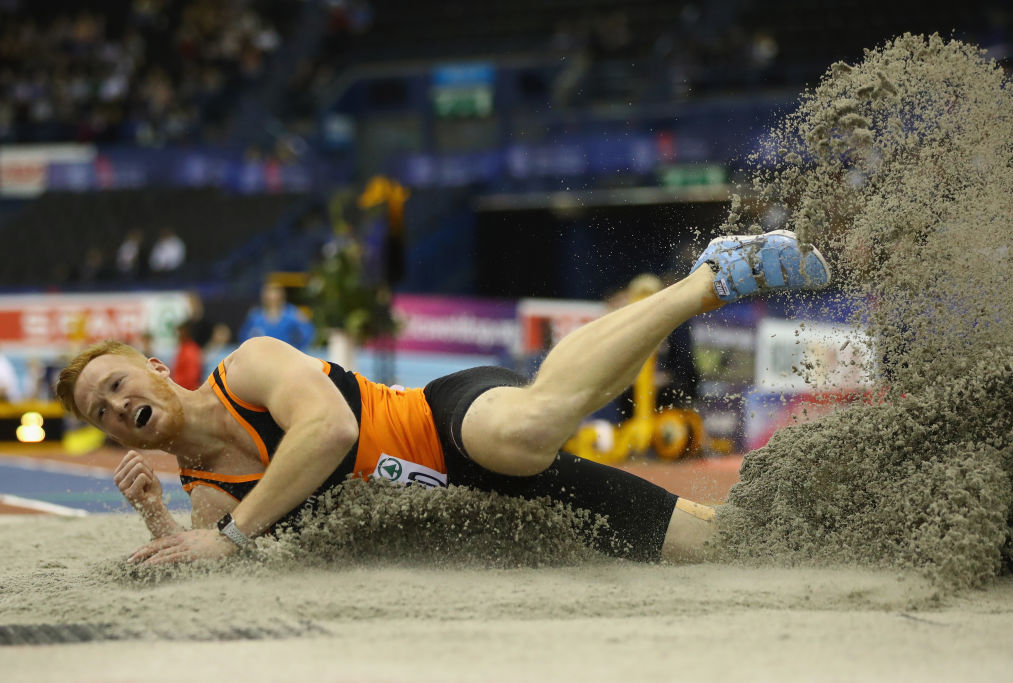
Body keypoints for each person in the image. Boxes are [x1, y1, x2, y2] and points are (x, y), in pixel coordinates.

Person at [54, 231, 830, 566]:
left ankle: (707, 280)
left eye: (117, 383)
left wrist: (226, 539)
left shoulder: (248, 366)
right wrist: (164, 521)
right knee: (731, 548)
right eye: (101, 412)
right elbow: (216, 555)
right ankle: (816, 503)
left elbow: (325, 429)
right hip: (505, 514)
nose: (116, 406)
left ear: (155, 366)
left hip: (451, 422)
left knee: (523, 428)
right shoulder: (210, 503)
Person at [238, 281, 315, 350]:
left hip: (286, 357)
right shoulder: (255, 316)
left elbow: (307, 333)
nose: (271, 296)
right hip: (262, 357)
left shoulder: (293, 314)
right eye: (268, 292)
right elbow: (244, 337)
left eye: (275, 292)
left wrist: (297, 350)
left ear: (281, 295)